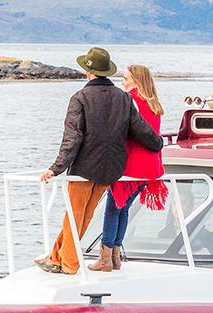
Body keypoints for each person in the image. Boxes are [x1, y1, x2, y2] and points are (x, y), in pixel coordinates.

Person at [35, 48, 164, 275]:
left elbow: (72, 138)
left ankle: (69, 264)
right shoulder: (123, 98)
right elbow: (145, 133)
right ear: (106, 71)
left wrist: (55, 169)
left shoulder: (80, 98)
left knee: (75, 215)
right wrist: (158, 143)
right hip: (112, 169)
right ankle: (57, 257)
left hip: (85, 168)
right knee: (85, 214)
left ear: (88, 71)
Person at [90, 63, 166, 272]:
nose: (122, 82)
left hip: (133, 166)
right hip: (151, 166)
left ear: (136, 81)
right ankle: (115, 258)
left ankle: (105, 259)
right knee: (122, 209)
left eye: (125, 78)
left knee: (113, 209)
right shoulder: (154, 104)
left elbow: (122, 131)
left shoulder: (130, 100)